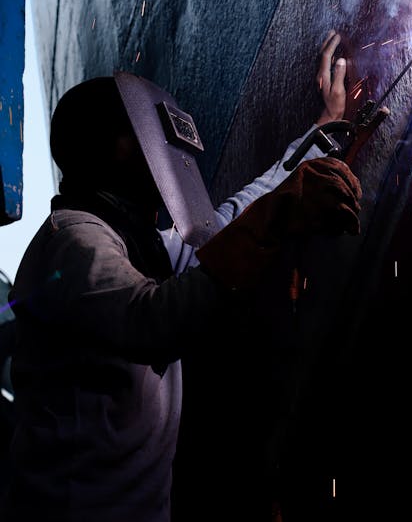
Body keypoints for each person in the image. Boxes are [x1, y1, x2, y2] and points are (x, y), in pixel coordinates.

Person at [0, 31, 363, 522]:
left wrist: (323, 133)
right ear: (114, 151)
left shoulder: (136, 244)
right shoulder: (73, 242)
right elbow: (157, 322)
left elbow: (227, 226)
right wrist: (278, 217)